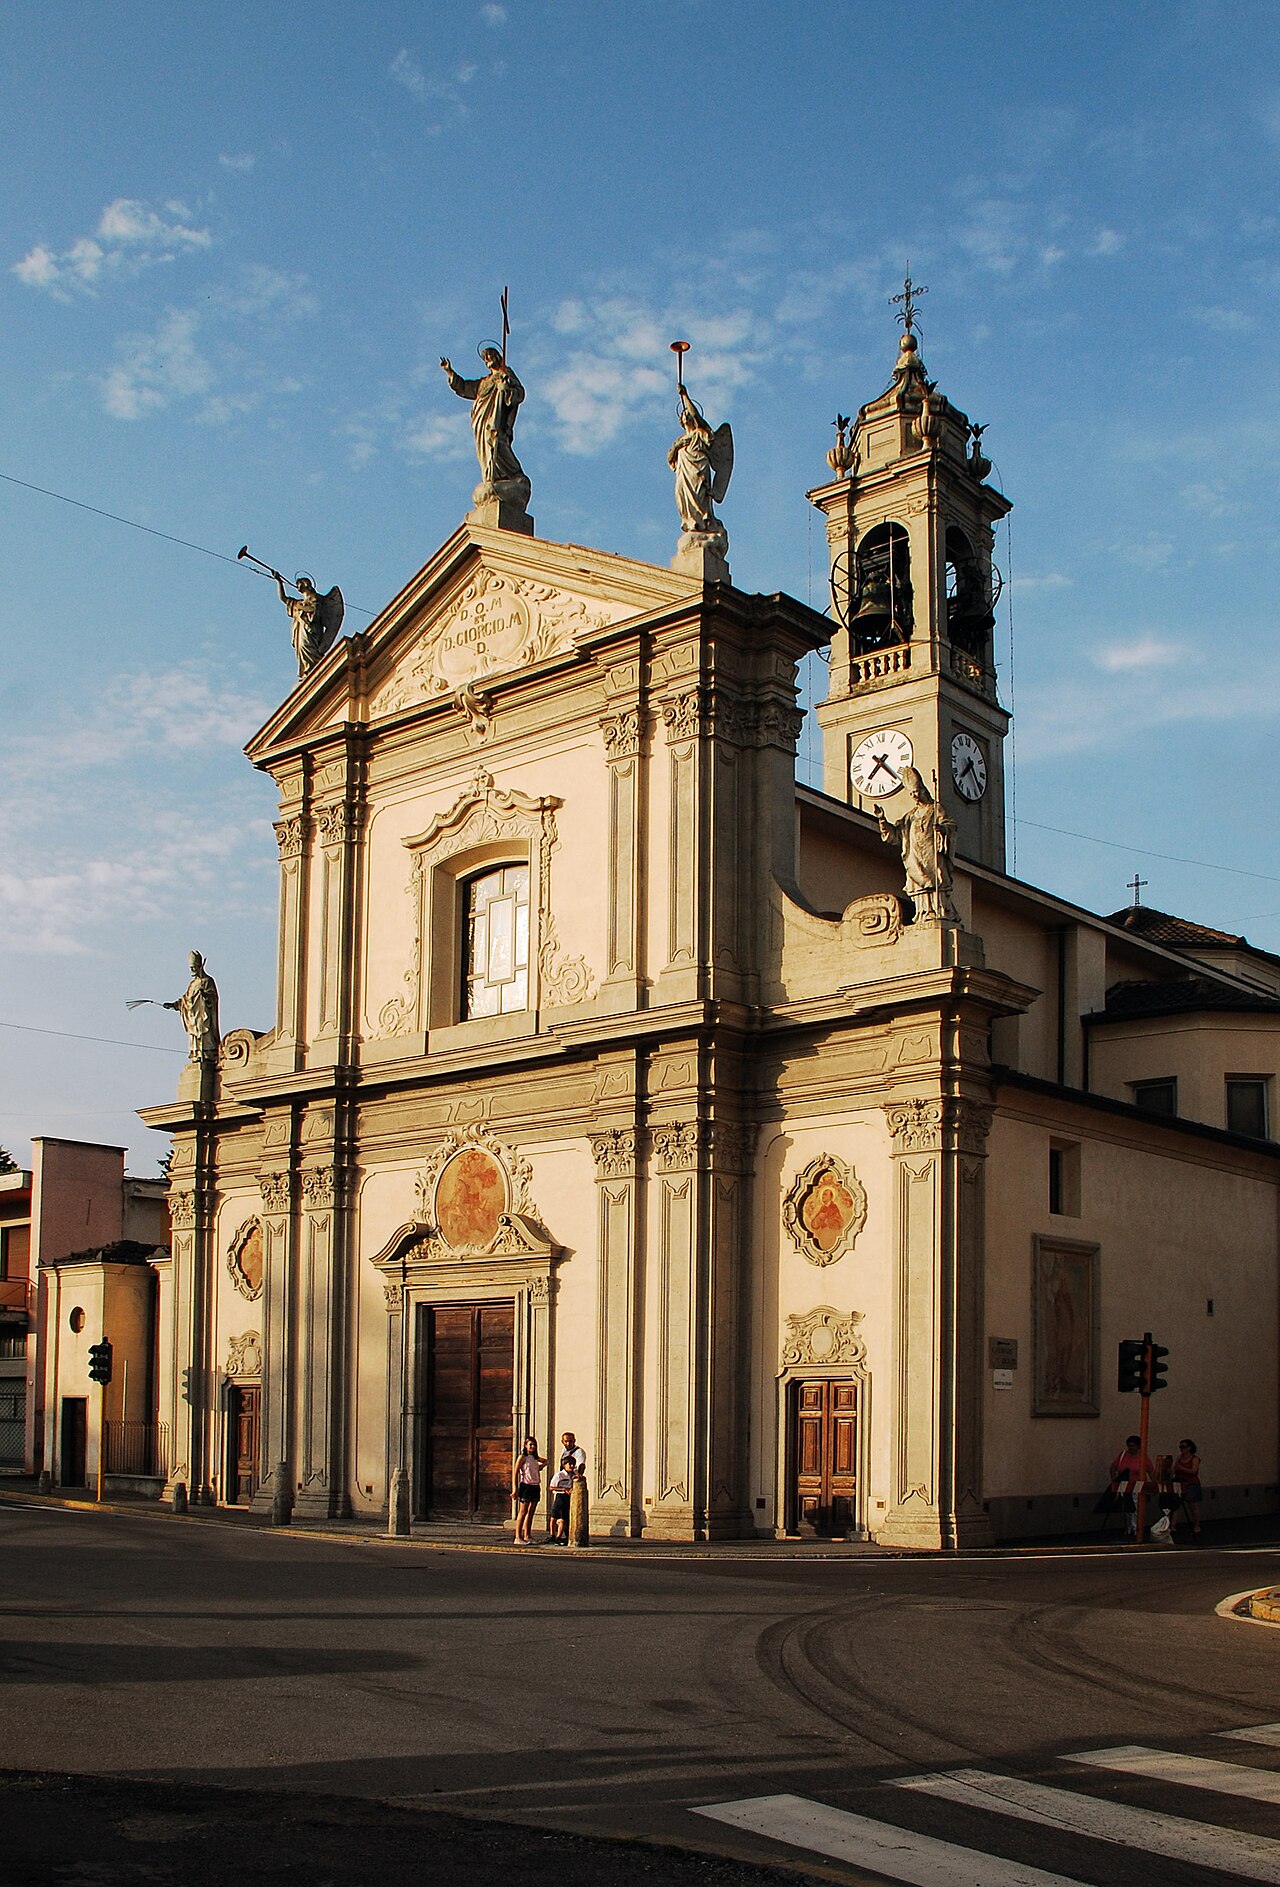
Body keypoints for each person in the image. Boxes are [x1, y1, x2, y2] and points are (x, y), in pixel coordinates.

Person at [440, 345, 527, 497]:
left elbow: (519, 394)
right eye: (485, 358)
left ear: (497, 357)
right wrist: (450, 372)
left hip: (496, 418)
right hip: (481, 419)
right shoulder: (484, 382)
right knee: (485, 450)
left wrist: (506, 389)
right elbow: (466, 387)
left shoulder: (506, 374)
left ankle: (514, 475)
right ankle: (491, 477)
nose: (488, 359)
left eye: (490, 356)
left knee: (495, 442)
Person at [876, 767, 957, 923]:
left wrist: (942, 829)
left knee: (936, 881)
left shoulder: (936, 809)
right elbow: (896, 835)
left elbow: (950, 826)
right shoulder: (910, 816)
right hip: (915, 856)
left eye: (916, 792)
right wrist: (882, 820)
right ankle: (923, 912)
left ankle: (940, 910)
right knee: (920, 886)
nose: (914, 796)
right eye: (911, 793)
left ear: (923, 790)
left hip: (931, 854)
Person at [668, 387, 732, 538]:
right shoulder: (680, 440)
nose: (685, 415)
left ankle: (703, 524)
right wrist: (678, 446)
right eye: (683, 414)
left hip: (698, 469)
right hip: (683, 471)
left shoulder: (701, 433)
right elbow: (670, 458)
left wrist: (685, 396)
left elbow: (698, 418)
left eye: (687, 413)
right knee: (680, 494)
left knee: (699, 496)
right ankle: (690, 522)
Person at [164, 951, 220, 1063]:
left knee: (205, 1034)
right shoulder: (193, 984)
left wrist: (205, 995)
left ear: (200, 967)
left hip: (203, 1015)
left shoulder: (208, 981)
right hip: (193, 1017)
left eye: (194, 968)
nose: (192, 970)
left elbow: (213, 997)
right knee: (195, 1035)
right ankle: (197, 1054)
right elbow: (186, 1000)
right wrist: (174, 1004)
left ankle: (207, 1054)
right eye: (191, 968)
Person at [1109, 1434, 1154, 1539]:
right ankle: (1129, 1528)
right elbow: (1113, 1467)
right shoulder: (1122, 1455)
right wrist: (1114, 1481)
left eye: (1133, 1446)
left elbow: (1151, 1472)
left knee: (1136, 1508)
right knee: (1127, 1509)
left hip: (1138, 1486)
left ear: (1138, 1446)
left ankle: (1136, 1528)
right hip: (1124, 1485)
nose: (1131, 1448)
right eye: (1129, 1445)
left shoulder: (1143, 1458)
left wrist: (1153, 1485)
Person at [511, 1435, 546, 1544]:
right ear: (525, 1445)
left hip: (535, 1485)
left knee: (531, 1512)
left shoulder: (534, 1458)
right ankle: (518, 1536)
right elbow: (515, 1473)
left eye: (534, 1445)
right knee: (523, 1512)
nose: (532, 1447)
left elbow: (546, 1461)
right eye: (530, 1445)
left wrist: (540, 1466)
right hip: (526, 1486)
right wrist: (515, 1489)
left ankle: (527, 1535)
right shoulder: (522, 1457)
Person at [1174, 1438, 1203, 1540]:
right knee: (1176, 1505)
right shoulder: (1179, 1458)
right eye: (1180, 1447)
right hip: (1181, 1483)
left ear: (1189, 1448)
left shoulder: (1194, 1459)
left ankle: (1196, 1526)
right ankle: (1173, 1527)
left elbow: (1194, 1471)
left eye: (1184, 1447)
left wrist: (1181, 1468)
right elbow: (1175, 1468)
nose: (1181, 1449)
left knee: (1192, 1506)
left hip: (1191, 1484)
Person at [547, 1460, 573, 1544]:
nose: (572, 1466)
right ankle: (552, 1535)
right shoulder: (559, 1475)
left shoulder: (572, 1476)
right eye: (570, 1464)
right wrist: (563, 1489)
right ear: (564, 1465)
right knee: (554, 1516)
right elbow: (551, 1487)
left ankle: (559, 1536)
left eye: (573, 1464)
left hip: (567, 1497)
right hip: (559, 1496)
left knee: (563, 1518)